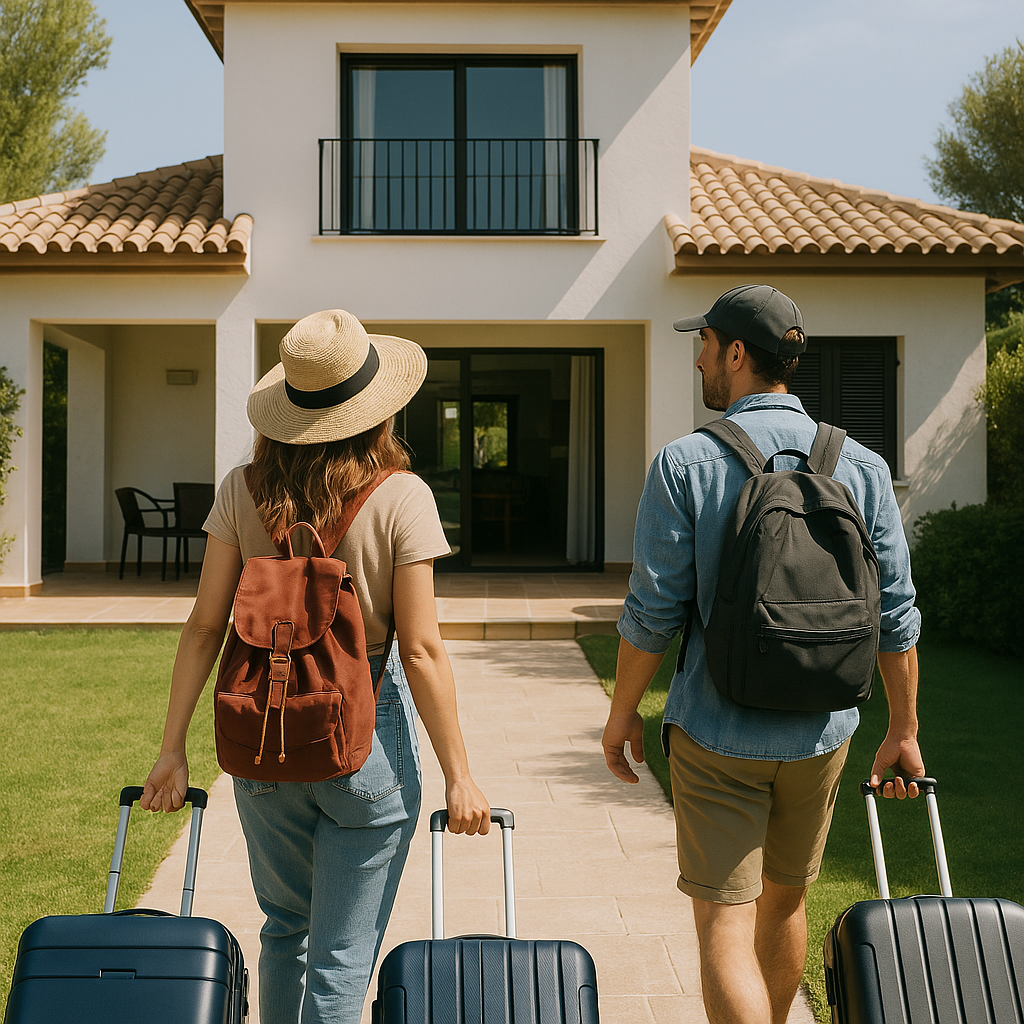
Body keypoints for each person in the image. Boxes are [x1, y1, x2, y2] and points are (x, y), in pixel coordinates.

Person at [142, 309, 490, 1024]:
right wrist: (460, 774)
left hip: (265, 736)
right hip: (366, 745)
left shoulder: (242, 490)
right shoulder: (402, 497)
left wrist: (172, 749)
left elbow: (206, 624)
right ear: (376, 410)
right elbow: (420, 650)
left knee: (285, 933)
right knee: (341, 960)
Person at [601, 284, 924, 1024]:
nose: (698, 362)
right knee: (787, 899)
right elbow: (896, 616)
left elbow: (652, 613)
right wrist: (902, 730)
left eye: (705, 345)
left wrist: (622, 716)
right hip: (822, 732)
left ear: (738, 353)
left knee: (724, 920)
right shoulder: (864, 467)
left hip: (718, 730)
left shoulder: (685, 463)